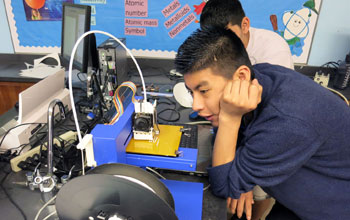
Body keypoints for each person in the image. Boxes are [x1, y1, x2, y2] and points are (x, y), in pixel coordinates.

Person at [174, 27, 350, 220]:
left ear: (241, 77)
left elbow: (223, 186)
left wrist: (229, 120)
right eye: (192, 93)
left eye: (204, 91)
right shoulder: (261, 76)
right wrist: (243, 178)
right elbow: (240, 145)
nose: (196, 106)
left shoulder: (287, 121)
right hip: (300, 194)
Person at [200, 0, 293, 218]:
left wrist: (245, 177)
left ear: (245, 24)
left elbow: (267, 123)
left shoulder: (273, 51)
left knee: (256, 192)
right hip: (238, 120)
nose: (221, 46)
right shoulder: (219, 48)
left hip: (267, 129)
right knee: (228, 184)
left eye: (227, 35)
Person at [200, 0, 294, 70]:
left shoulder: (274, 49)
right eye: (211, 37)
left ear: (244, 25)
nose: (219, 43)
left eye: (226, 35)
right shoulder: (210, 49)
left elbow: (279, 93)